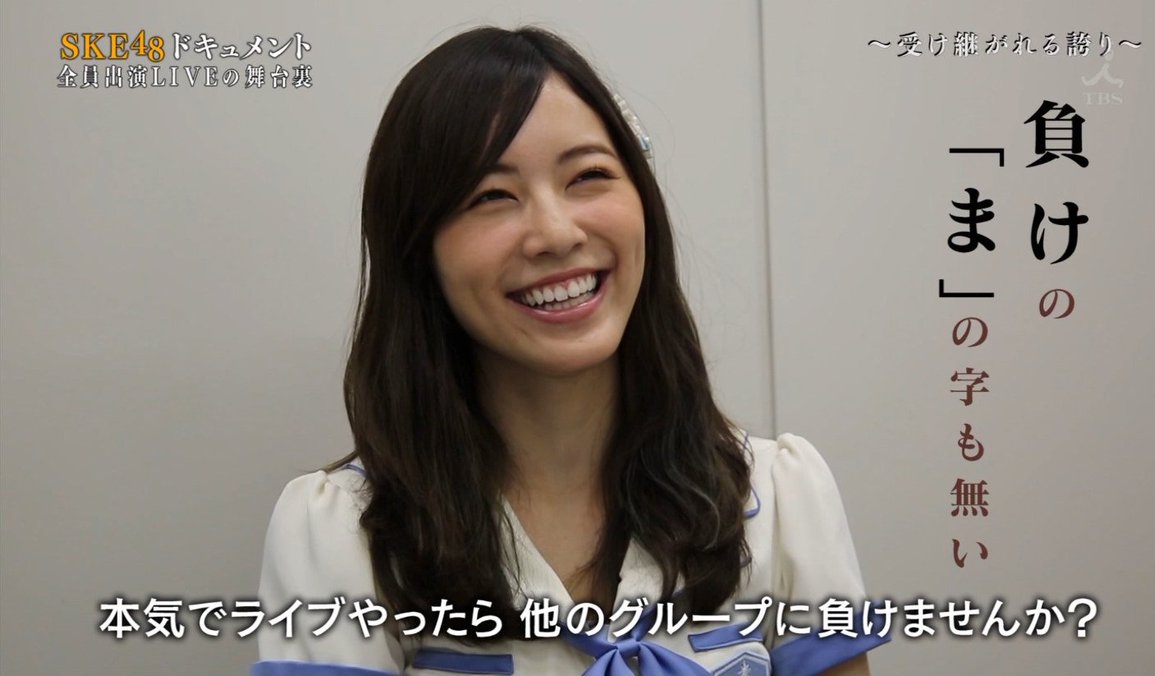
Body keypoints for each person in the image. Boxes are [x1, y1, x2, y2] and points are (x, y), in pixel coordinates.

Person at [252, 25, 888, 676]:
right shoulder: (344, 535)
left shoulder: (779, 501)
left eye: (588, 175)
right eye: (491, 196)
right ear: (418, 251)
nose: (556, 234)